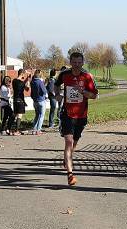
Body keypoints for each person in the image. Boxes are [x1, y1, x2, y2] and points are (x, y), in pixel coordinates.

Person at [54, 52, 98, 185]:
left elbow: (95, 95)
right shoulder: (64, 74)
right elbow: (56, 85)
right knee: (68, 142)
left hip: (81, 115)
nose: (77, 65)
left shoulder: (87, 76)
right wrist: (57, 95)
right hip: (67, 114)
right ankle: (70, 175)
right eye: (74, 62)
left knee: (74, 143)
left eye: (79, 62)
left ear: (83, 62)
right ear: (70, 62)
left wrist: (84, 92)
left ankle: (66, 159)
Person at [12, 69, 30, 135]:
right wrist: (28, 82)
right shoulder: (22, 83)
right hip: (20, 100)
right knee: (19, 115)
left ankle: (9, 129)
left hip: (15, 100)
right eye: (23, 75)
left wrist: (27, 78)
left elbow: (21, 83)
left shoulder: (14, 81)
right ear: (22, 74)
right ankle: (16, 130)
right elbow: (27, 89)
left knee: (14, 114)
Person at [31, 69, 47, 135]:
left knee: (37, 115)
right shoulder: (40, 82)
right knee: (41, 115)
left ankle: (34, 129)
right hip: (41, 100)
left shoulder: (32, 82)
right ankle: (38, 129)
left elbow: (31, 93)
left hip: (35, 101)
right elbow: (44, 91)